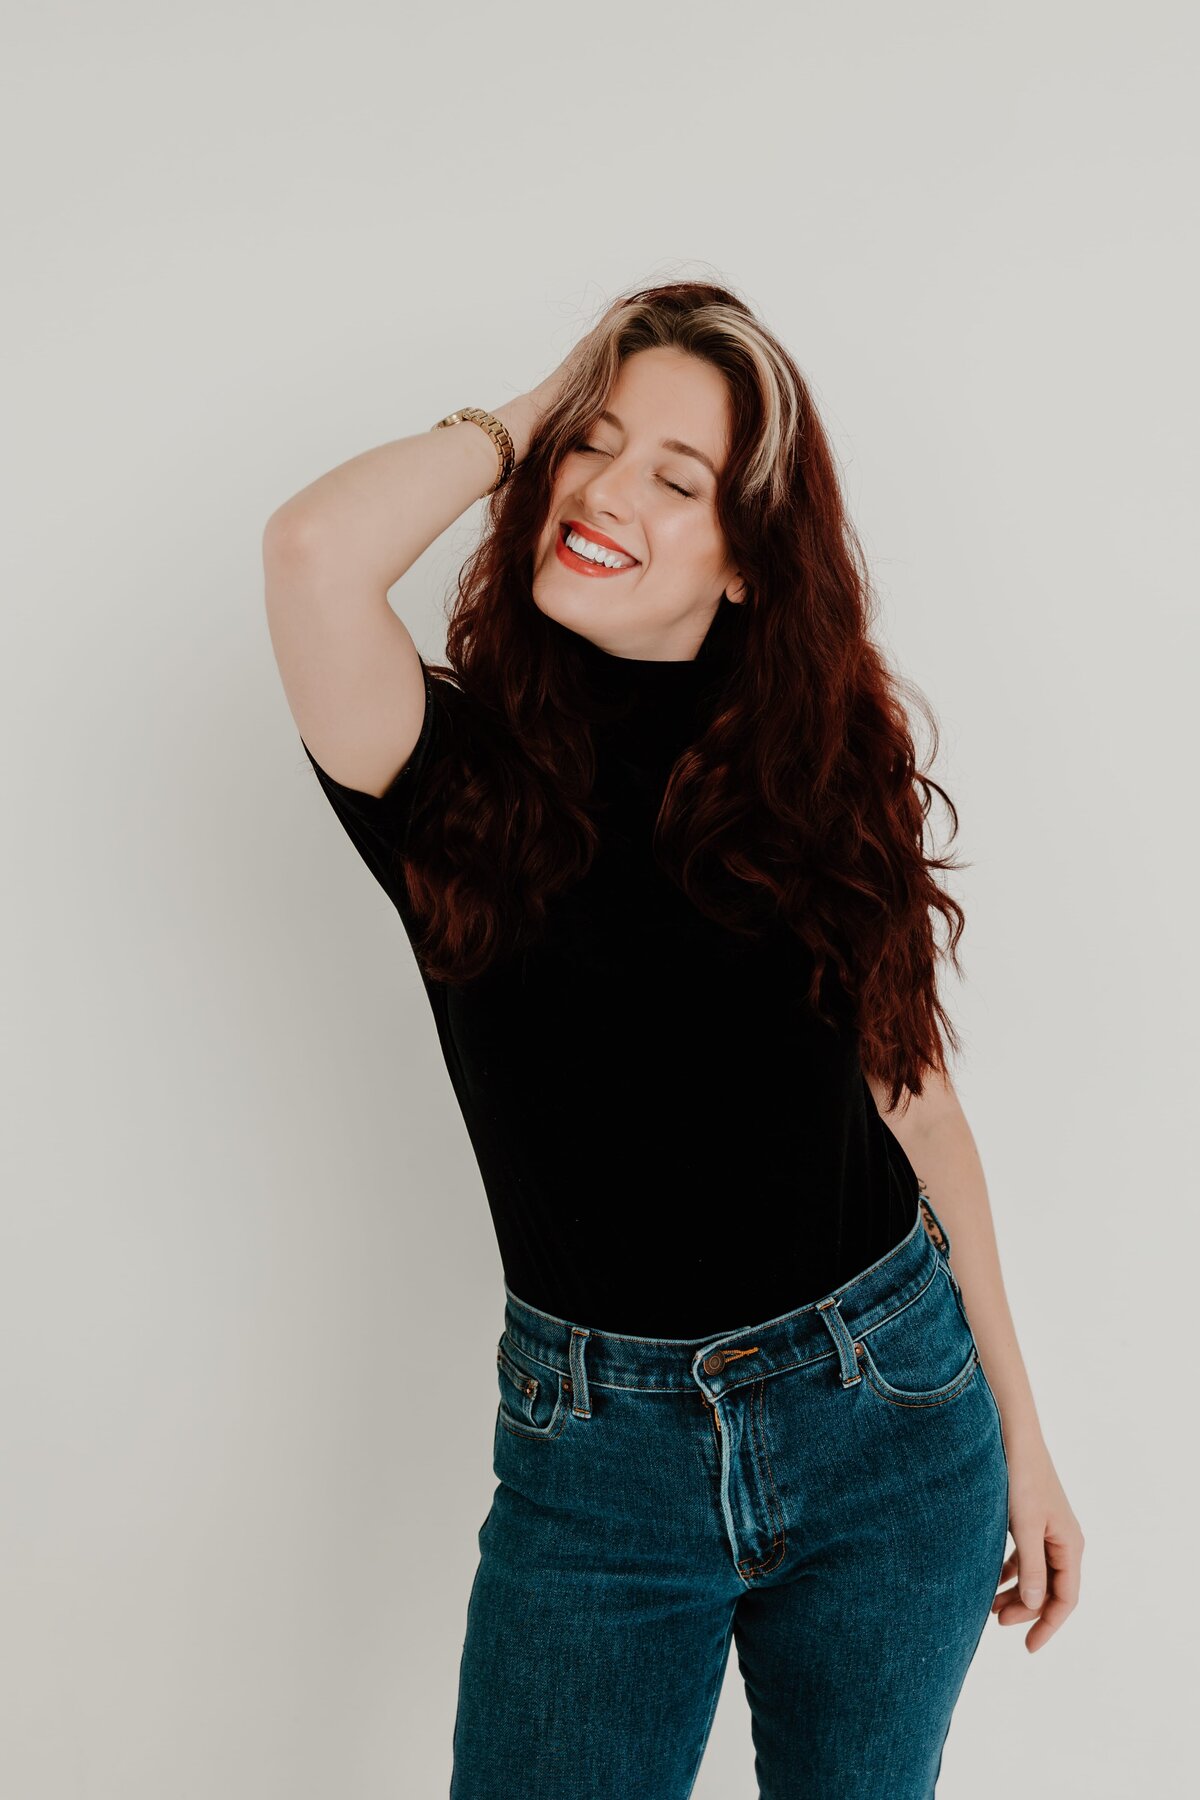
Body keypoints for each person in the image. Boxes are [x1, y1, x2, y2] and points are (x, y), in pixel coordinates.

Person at [263, 280, 1083, 1797]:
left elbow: (919, 1103)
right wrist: (529, 416)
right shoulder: (445, 772)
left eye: (677, 477)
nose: (603, 491)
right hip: (601, 1465)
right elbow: (312, 551)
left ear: (751, 565)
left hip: (895, 1411)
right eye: (595, 444)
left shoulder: (827, 763)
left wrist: (1024, 1437)